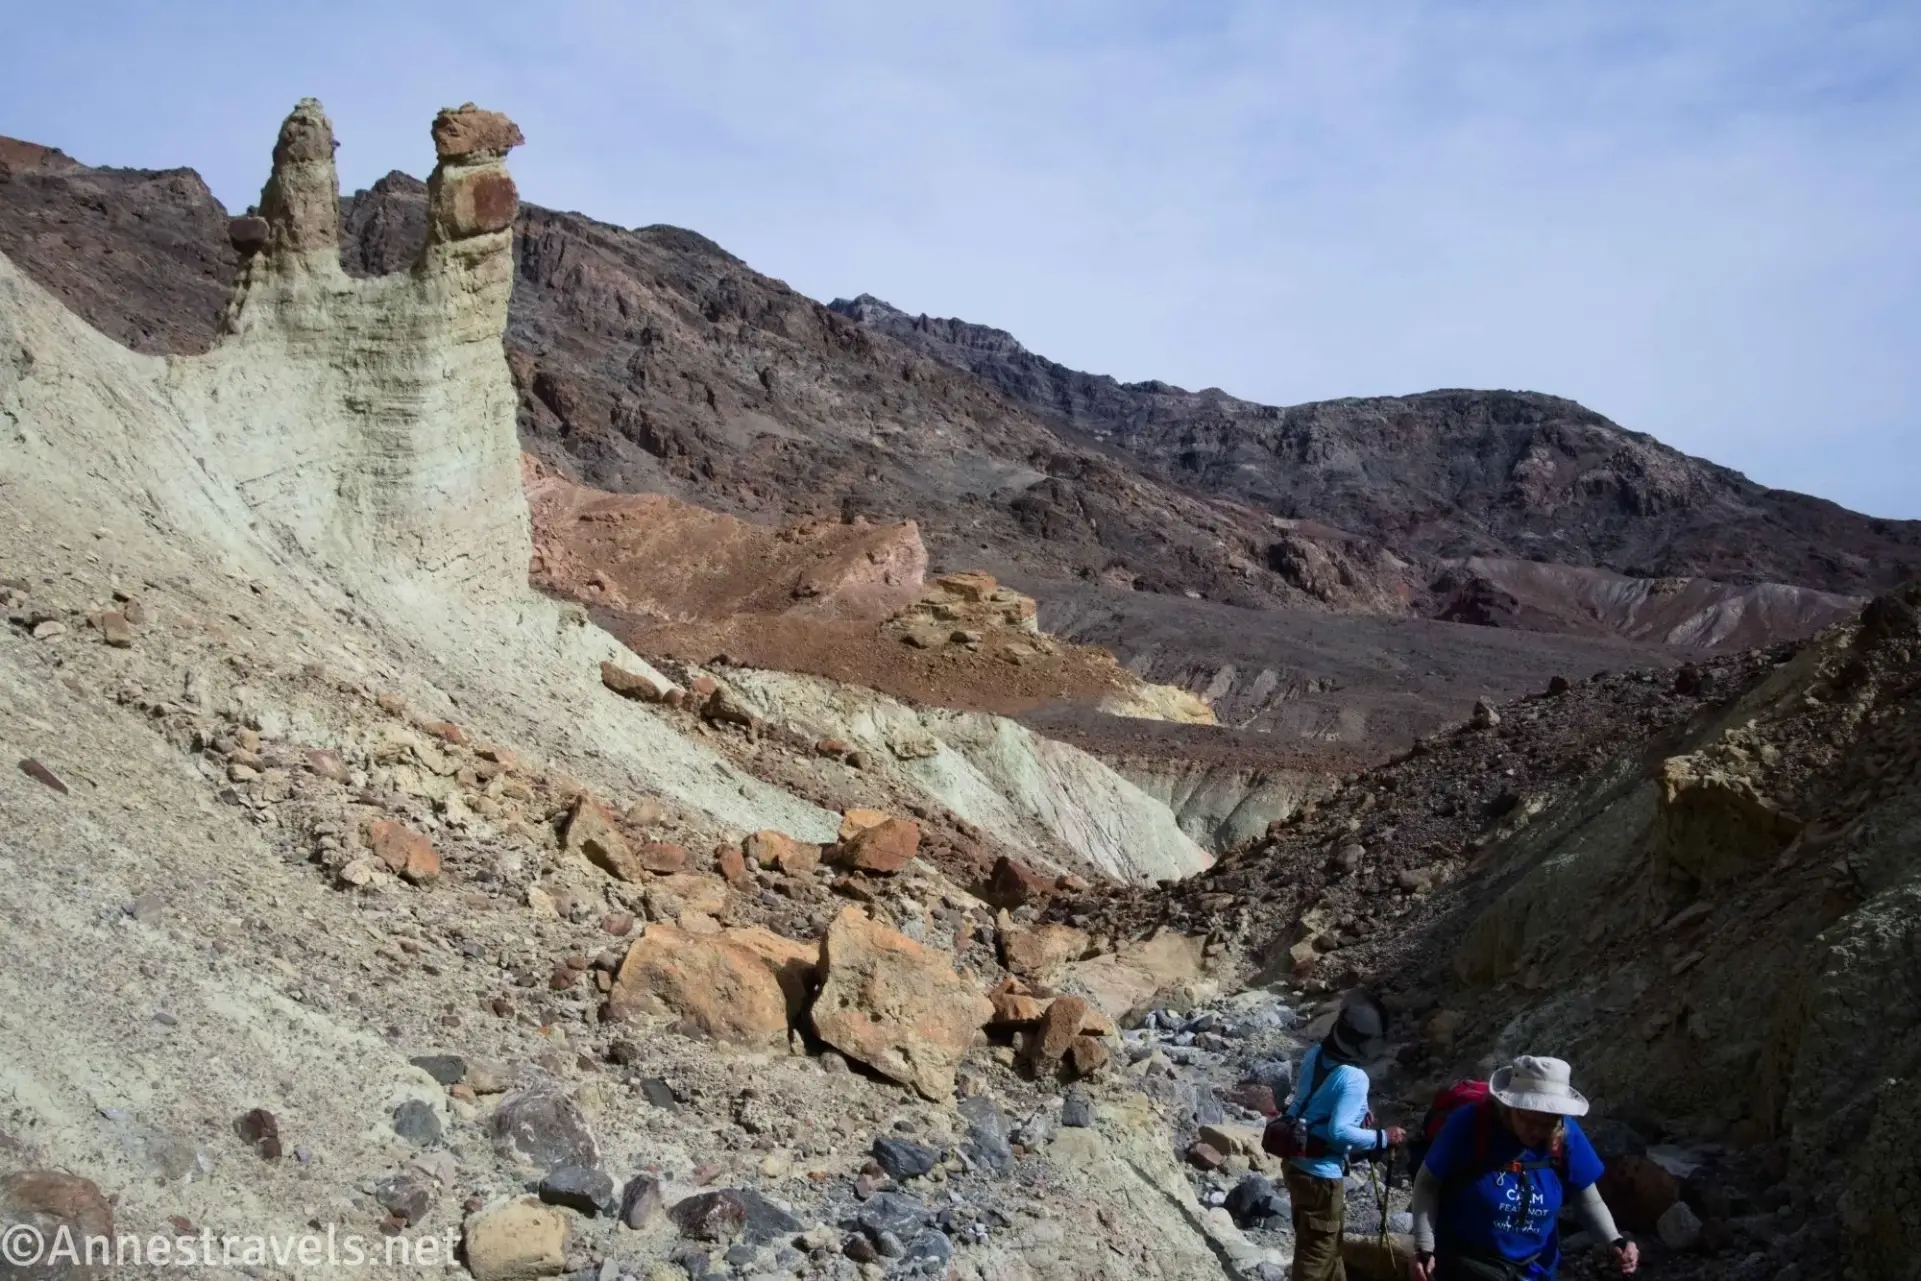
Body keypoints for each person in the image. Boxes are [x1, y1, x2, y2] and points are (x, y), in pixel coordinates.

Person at [1408, 1055, 1640, 1280]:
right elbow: (1428, 1182)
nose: (1537, 1131)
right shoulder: (1471, 1124)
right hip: (1469, 1264)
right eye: (1529, 1120)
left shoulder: (1566, 1134)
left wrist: (1614, 1240)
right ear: (1509, 1106)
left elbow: (1587, 1198)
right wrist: (1424, 1246)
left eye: (1547, 1124)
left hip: (1536, 1268)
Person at [1282, 991, 1407, 1281]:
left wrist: (1355, 1118)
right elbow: (1338, 1132)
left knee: (1327, 1242)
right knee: (1316, 1254)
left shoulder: (1316, 1053)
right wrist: (1383, 1138)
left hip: (1295, 1161)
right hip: (1321, 1176)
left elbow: (1309, 1103)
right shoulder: (1354, 1077)